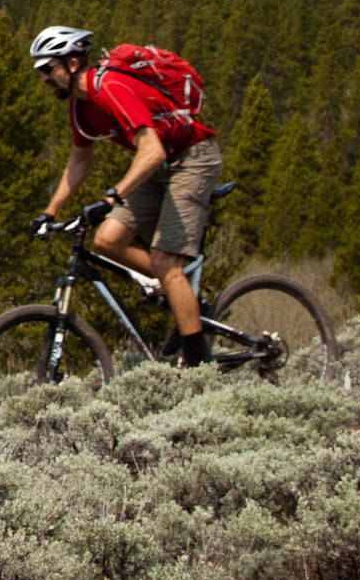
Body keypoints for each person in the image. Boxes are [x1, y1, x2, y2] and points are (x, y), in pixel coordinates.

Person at [26, 26, 223, 366]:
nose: (44, 79)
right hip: (159, 168)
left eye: (48, 69)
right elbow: (79, 162)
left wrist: (111, 198)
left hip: (192, 158)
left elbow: (152, 151)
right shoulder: (80, 107)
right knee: (108, 239)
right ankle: (184, 298)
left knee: (166, 263)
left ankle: (198, 368)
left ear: (73, 63)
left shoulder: (111, 88)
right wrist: (50, 212)